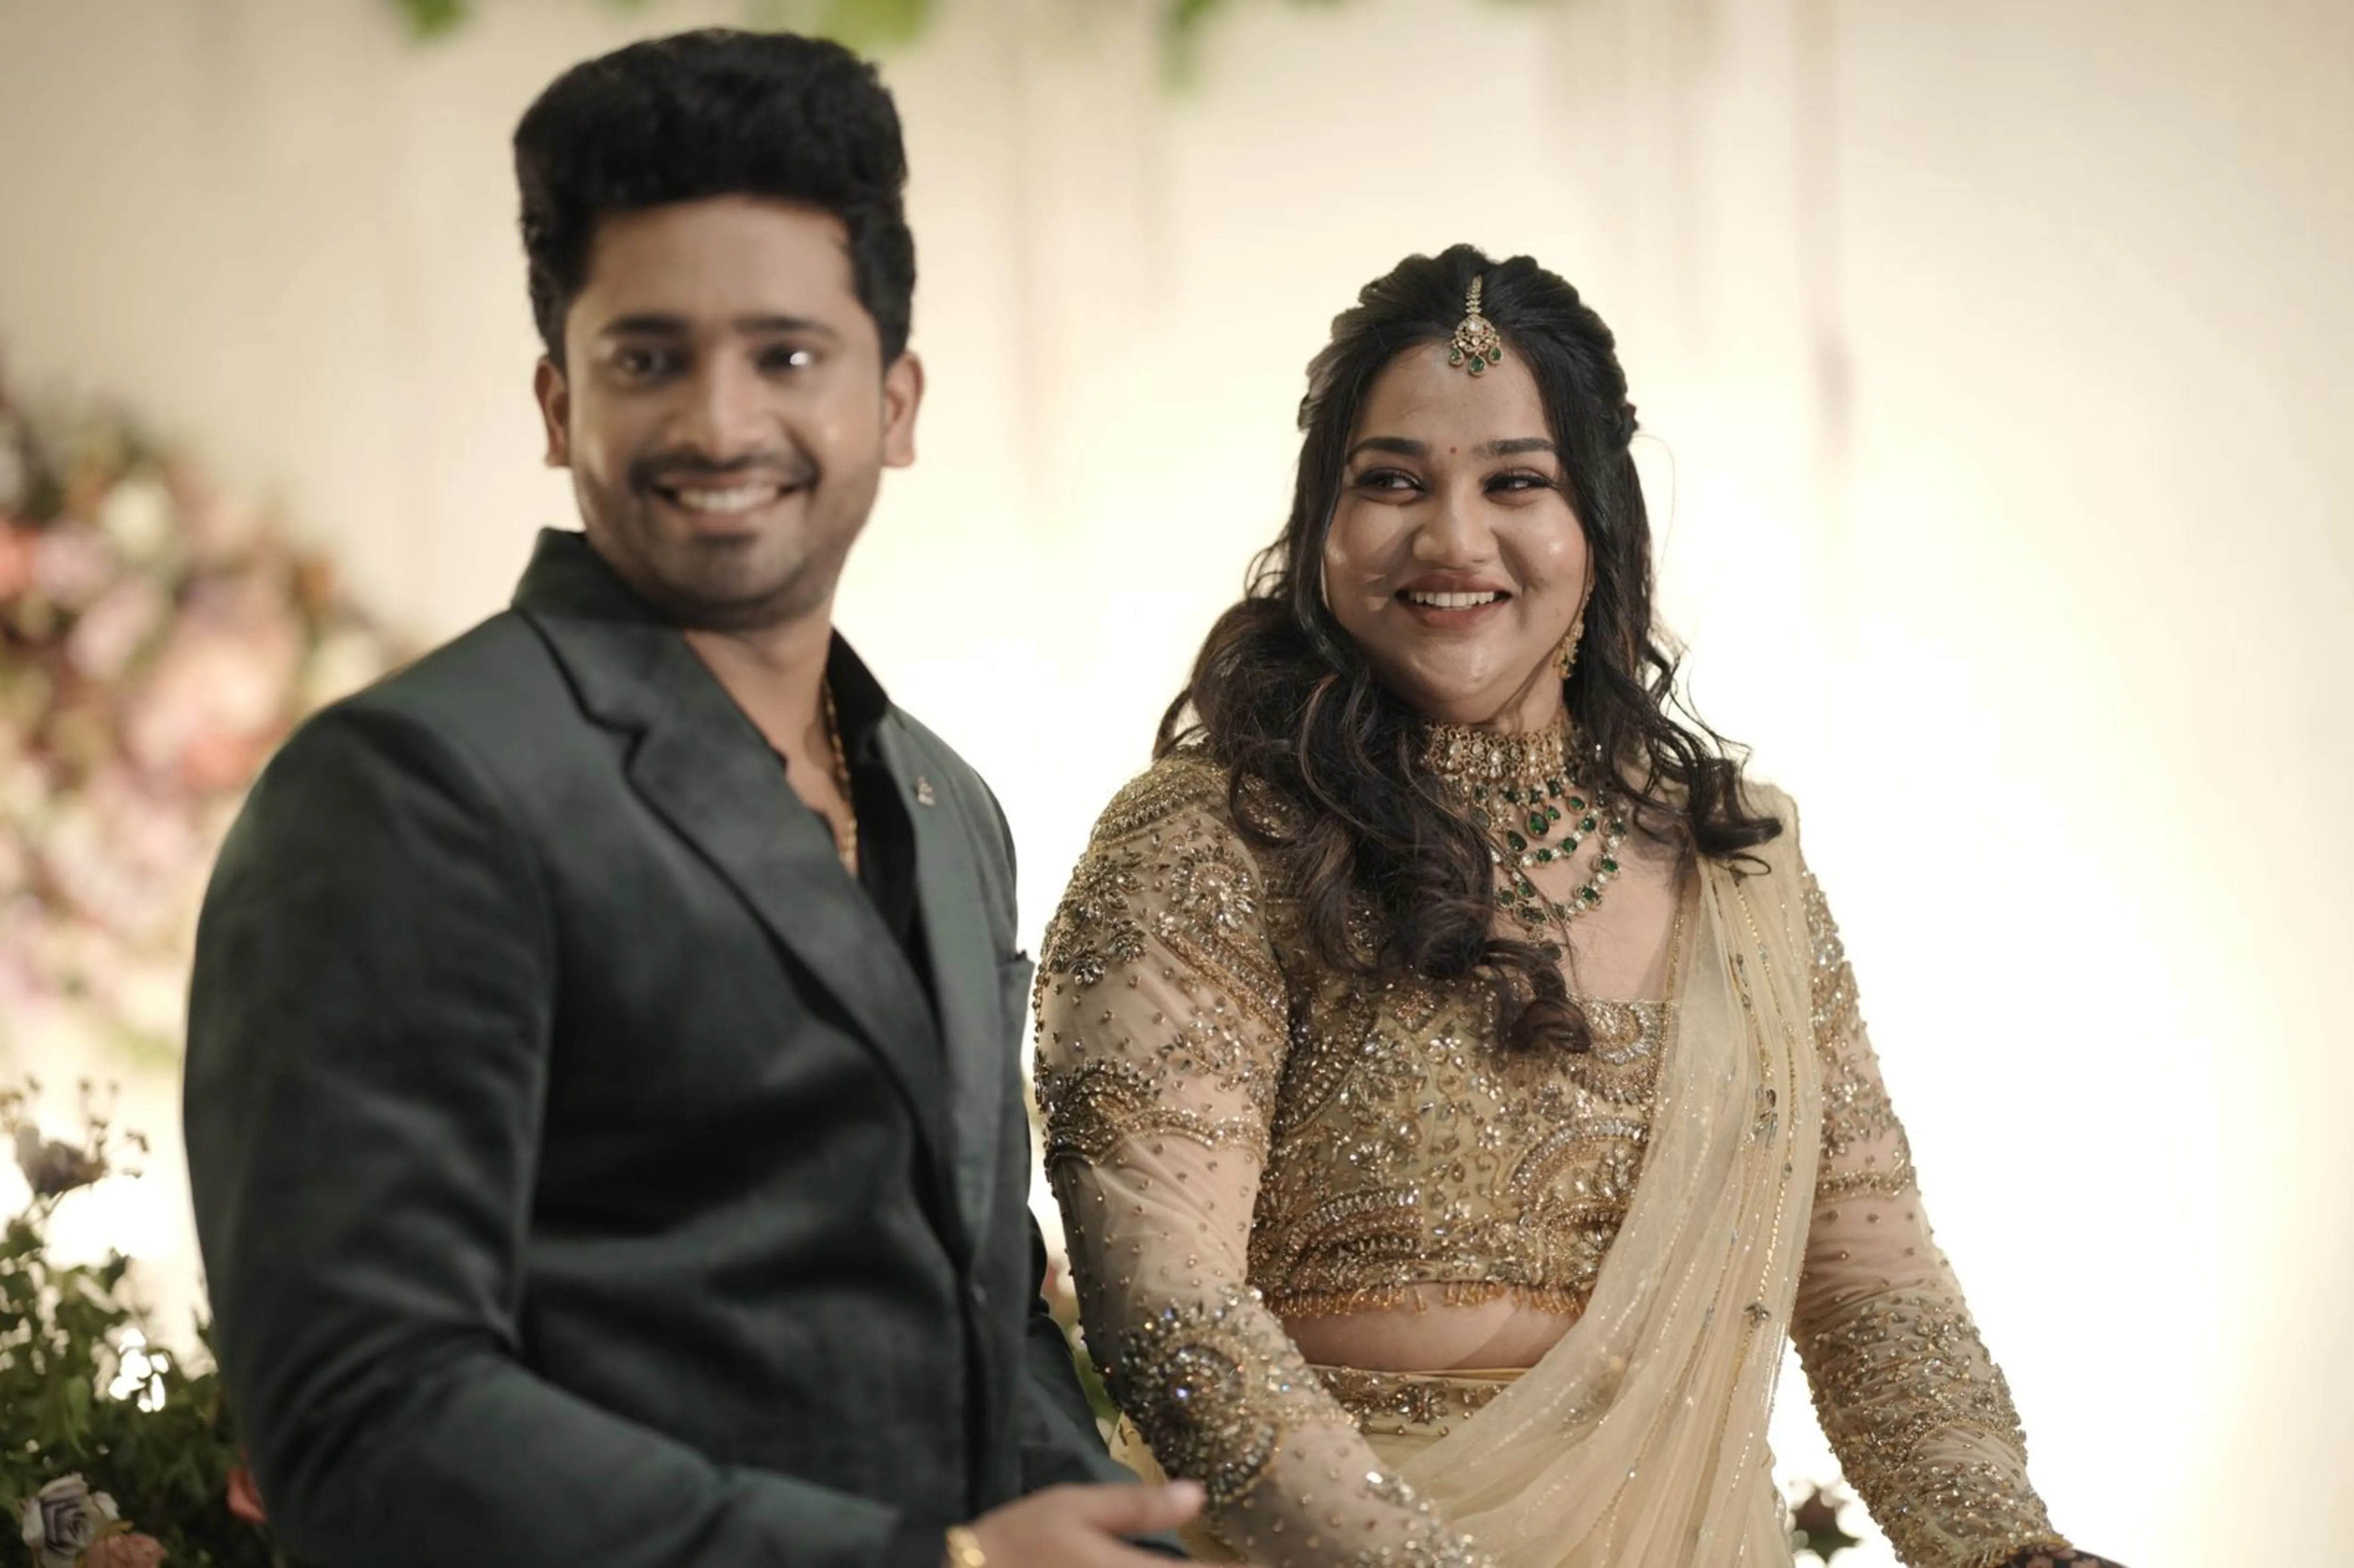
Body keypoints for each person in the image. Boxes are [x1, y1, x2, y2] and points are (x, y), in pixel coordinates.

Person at [183, 30, 1198, 1568]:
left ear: (896, 401)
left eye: (785, 356)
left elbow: (986, 1309)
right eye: (648, 359)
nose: (720, 423)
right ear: (557, 402)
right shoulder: (410, 791)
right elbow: (366, 1423)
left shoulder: (947, 804)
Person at [1033, 245, 2121, 1568]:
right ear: (1323, 524)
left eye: (1516, 483)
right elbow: (1169, 1302)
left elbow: (1869, 1284)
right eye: (1392, 482)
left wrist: (2005, 1545)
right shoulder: (1213, 842)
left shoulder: (1738, 870)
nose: (1453, 539)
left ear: (1599, 528)